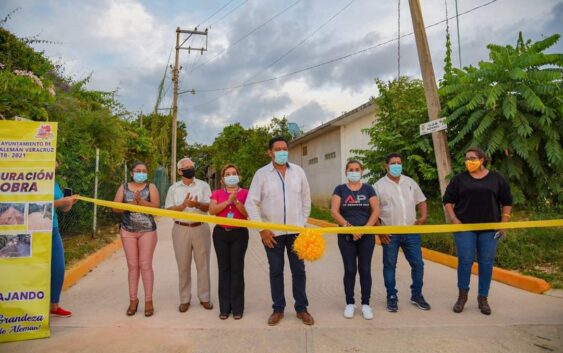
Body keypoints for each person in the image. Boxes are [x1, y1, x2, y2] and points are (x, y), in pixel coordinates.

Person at [245, 136, 314, 326]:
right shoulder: (261, 174)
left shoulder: (298, 172)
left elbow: (306, 199)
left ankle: (302, 309)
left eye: (285, 148)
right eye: (278, 149)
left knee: (299, 270)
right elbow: (251, 203)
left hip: (295, 232)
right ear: (270, 152)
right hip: (272, 234)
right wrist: (262, 229)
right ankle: (278, 309)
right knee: (276, 271)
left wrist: (302, 223)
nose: (282, 152)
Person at [443, 147, 513, 315]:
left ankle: (483, 298)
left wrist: (504, 222)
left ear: (482, 159)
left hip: (489, 229)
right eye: (467, 158)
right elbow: (447, 200)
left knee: (486, 263)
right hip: (465, 227)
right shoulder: (459, 179)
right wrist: (454, 219)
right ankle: (462, 296)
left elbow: (507, 201)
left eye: (473, 158)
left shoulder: (496, 179)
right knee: (465, 260)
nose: (469, 161)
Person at [374, 153, 430, 313]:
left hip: (411, 231)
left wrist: (423, 217)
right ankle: (391, 297)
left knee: (418, 264)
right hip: (390, 233)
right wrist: (379, 231)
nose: (396, 165)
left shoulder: (410, 182)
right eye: (393, 163)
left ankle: (417, 295)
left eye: (399, 163)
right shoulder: (378, 186)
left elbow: (422, 200)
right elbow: (374, 211)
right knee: (390, 265)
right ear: (386, 166)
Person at [330, 160, 379, 320]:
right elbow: (334, 211)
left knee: (365, 270)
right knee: (350, 270)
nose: (354, 171)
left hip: (366, 236)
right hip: (346, 235)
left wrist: (364, 229)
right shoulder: (340, 189)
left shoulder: (368, 189)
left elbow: (376, 210)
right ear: (346, 172)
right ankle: (350, 303)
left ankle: (366, 304)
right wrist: (350, 228)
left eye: (357, 169)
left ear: (362, 171)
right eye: (351, 169)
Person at [165, 157, 213, 313]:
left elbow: (209, 207)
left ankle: (204, 298)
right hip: (180, 229)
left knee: (203, 265)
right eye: (186, 167)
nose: (190, 168)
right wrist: (183, 205)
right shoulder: (173, 189)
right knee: (183, 266)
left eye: (192, 166)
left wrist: (197, 204)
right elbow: (167, 210)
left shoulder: (204, 185)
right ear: (180, 171)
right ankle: (184, 299)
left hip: (201, 228)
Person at [112, 161, 160, 317]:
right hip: (127, 230)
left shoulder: (151, 187)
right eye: (138, 170)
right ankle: (133, 300)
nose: (141, 173)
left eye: (144, 170)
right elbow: (115, 207)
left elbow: (157, 207)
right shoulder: (124, 187)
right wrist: (131, 204)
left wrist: (142, 202)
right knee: (133, 266)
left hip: (147, 230)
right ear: (132, 173)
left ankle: (148, 301)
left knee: (145, 264)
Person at [209, 164, 249, 320]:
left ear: (238, 176)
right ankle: (225, 308)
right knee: (224, 269)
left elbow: (248, 213)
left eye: (234, 173)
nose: (231, 176)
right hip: (220, 234)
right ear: (222, 179)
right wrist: (227, 202)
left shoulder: (246, 193)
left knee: (237, 269)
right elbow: (212, 210)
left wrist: (237, 202)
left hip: (239, 234)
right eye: (227, 174)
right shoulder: (217, 193)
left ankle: (238, 308)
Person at [51, 160, 79, 317]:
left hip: (53, 228)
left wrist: (69, 203)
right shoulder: (33, 180)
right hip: (35, 230)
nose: (57, 163)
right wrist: (61, 202)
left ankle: (54, 305)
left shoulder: (53, 182)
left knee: (59, 268)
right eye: (54, 160)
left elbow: (63, 208)